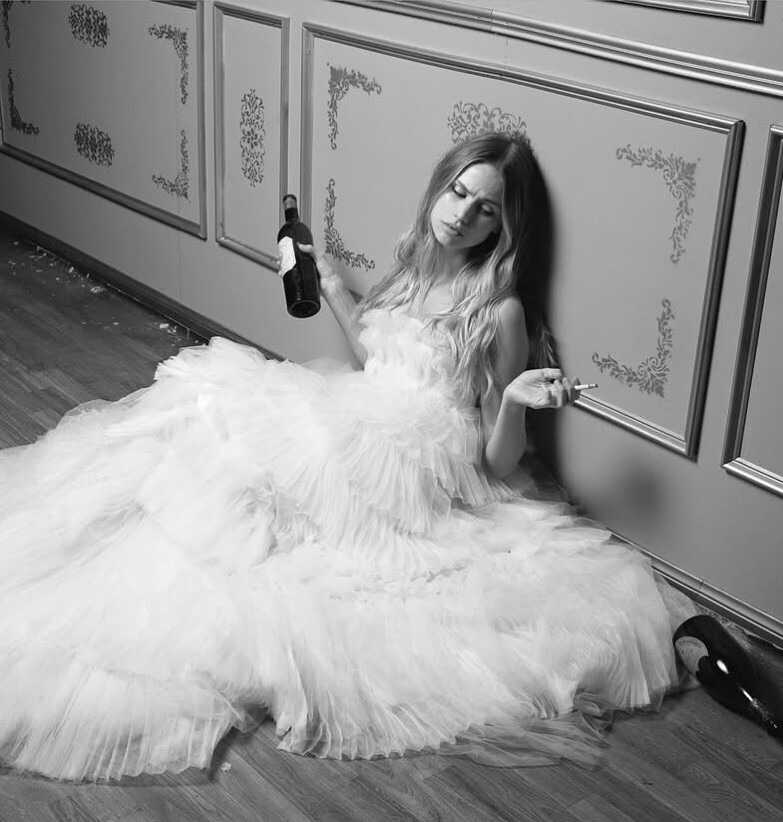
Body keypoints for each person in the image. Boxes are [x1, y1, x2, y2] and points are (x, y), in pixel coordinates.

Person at [0, 132, 695, 782]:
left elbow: (496, 461)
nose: (462, 216)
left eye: (486, 210)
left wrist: (513, 399)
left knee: (260, 487)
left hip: (420, 460)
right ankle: (112, 539)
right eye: (458, 192)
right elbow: (382, 360)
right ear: (439, 186)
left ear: (503, 228)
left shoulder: (497, 310)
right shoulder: (415, 264)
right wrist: (334, 289)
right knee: (210, 419)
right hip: (367, 413)